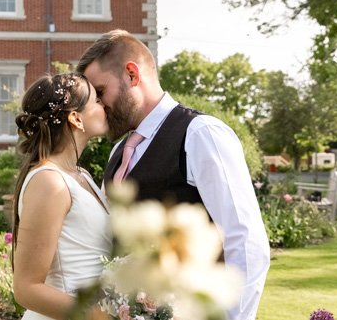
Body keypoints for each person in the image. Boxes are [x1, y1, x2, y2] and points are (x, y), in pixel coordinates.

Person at [76, 29, 270, 320]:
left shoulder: (201, 134)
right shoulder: (119, 151)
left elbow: (244, 241)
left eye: (100, 92)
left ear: (132, 74)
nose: (99, 105)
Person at [12, 73, 112, 320]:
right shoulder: (49, 182)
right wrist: (103, 317)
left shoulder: (81, 176)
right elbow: (26, 289)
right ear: (76, 118)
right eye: (97, 100)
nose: (105, 104)